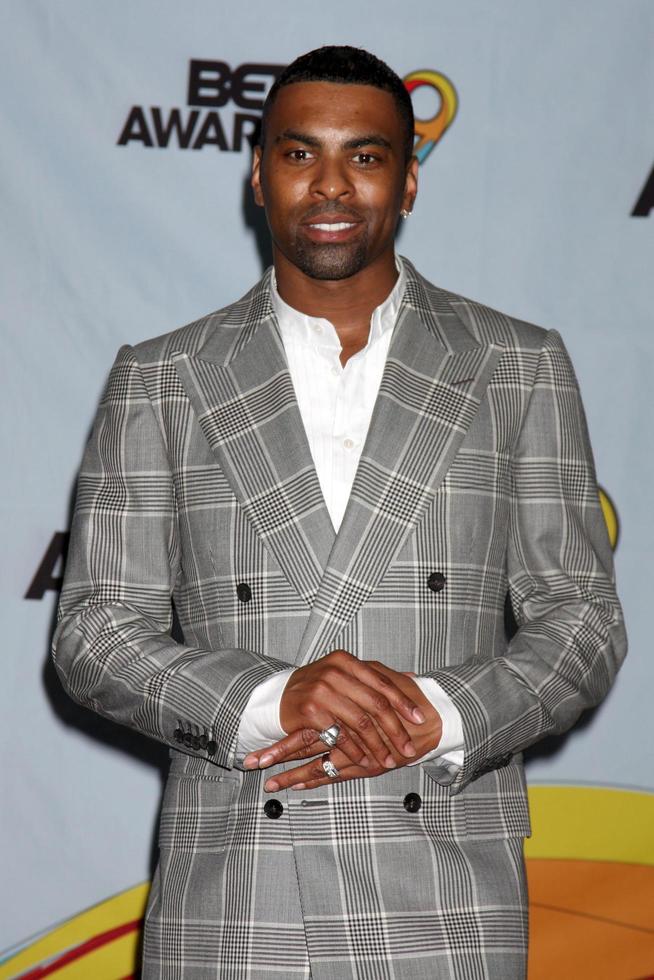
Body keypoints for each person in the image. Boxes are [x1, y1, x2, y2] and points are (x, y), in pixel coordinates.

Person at [53, 45, 626, 980]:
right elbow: (92, 635)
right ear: (257, 175)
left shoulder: (516, 366)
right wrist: (275, 698)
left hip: (444, 892)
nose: (330, 185)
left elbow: (583, 625)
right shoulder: (163, 378)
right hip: (237, 894)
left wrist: (432, 715)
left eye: (364, 157)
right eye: (298, 154)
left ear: (407, 183)